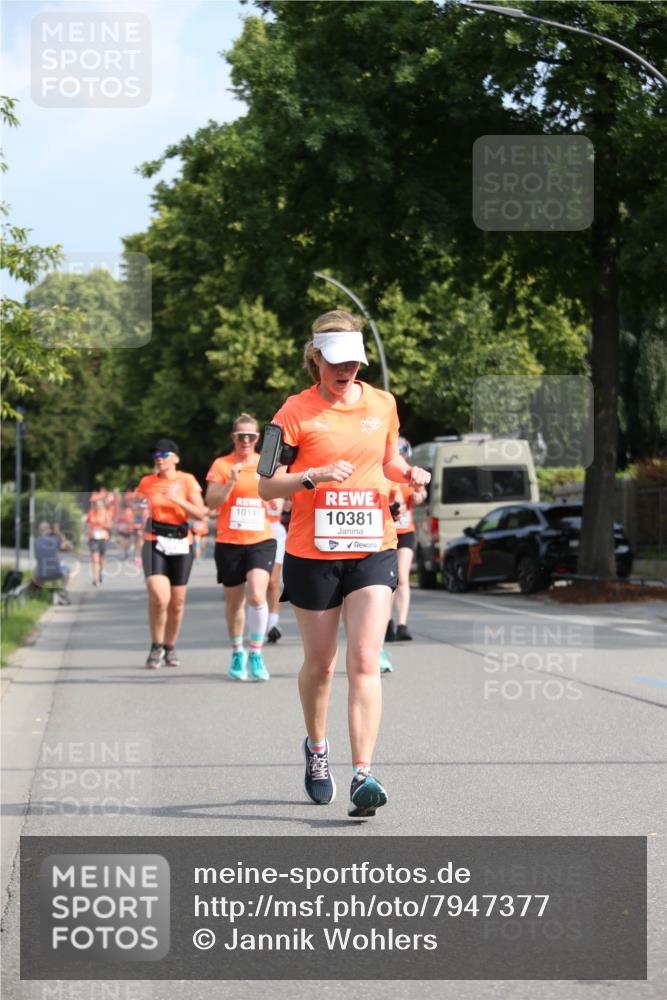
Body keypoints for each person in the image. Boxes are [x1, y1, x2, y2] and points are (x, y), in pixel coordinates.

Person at [258, 309, 430, 817]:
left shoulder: (382, 402)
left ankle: (363, 774)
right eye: (336, 362)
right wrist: (311, 477)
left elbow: (389, 461)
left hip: (373, 544)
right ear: (315, 358)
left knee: (363, 659)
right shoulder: (292, 412)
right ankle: (316, 750)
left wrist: (410, 473)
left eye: (354, 361)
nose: (347, 371)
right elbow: (267, 483)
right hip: (313, 553)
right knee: (322, 664)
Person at [205, 414, 277, 682]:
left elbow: (278, 497)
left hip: (261, 540)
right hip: (229, 542)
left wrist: (279, 503)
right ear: (233, 438)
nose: (246, 441)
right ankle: (238, 652)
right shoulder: (222, 465)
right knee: (234, 602)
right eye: (241, 436)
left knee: (258, 594)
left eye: (251, 436)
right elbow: (211, 502)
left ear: (258, 439)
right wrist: (231, 482)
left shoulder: (265, 463)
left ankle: (256, 652)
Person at [135, 438, 206, 669]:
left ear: (175, 458)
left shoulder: (186, 481)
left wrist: (177, 500)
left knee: (177, 603)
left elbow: (200, 513)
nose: (158, 457)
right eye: (155, 454)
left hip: (181, 543)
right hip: (154, 541)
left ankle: (170, 647)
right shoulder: (147, 482)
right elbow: (137, 508)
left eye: (164, 454)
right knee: (159, 596)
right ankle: (156, 645)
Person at [384, 437, 427, 645]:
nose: (401, 456)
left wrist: (419, 497)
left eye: (403, 453)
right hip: (386, 531)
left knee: (402, 577)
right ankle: (386, 623)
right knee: (388, 580)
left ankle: (401, 624)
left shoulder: (409, 473)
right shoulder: (384, 472)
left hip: (406, 532)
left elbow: (421, 493)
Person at [32, 522, 72, 604]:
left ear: (39, 530)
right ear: (48, 529)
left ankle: (36, 595)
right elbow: (69, 547)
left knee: (37, 569)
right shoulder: (55, 539)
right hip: (56, 572)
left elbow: (38, 558)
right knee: (66, 568)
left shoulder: (36, 541)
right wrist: (58, 533)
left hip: (41, 574)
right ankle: (62, 591)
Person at [265, 497, 287, 642]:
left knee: (272, 581)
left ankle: (272, 625)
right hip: (253, 531)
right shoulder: (246, 475)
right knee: (257, 584)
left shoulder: (280, 474)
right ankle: (260, 622)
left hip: (276, 532)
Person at [86, 499, 111, 586]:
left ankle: (101, 573)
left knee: (101, 559)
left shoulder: (106, 513)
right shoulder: (91, 512)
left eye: (100, 505)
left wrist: (102, 525)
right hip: (93, 538)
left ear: (103, 506)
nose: (98, 507)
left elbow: (110, 525)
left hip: (103, 538)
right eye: (97, 505)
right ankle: (95, 578)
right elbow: (87, 524)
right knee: (94, 559)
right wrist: (90, 528)